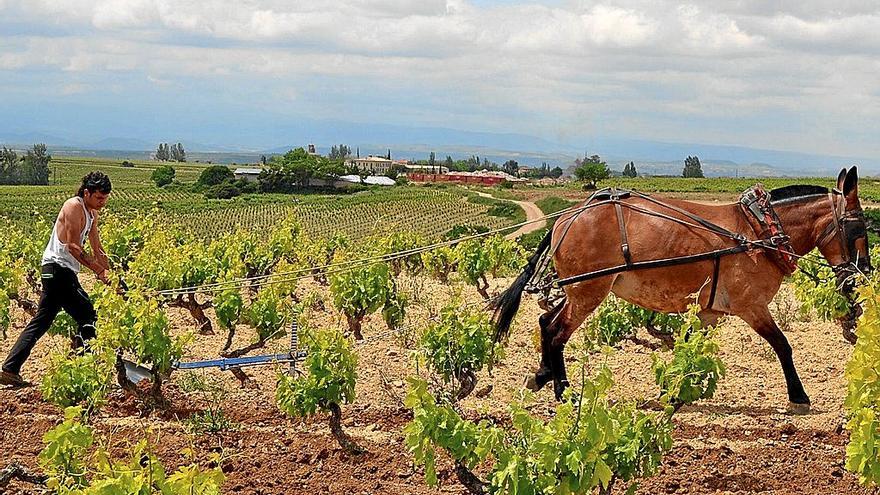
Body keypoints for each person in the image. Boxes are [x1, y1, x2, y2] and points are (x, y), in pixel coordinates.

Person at [0, 171, 112, 387]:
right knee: (87, 314)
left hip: (61, 270)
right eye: (99, 198)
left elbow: (97, 249)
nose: (102, 203)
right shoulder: (73, 206)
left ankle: (10, 368)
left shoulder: (91, 214)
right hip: (56, 268)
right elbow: (72, 247)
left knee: (42, 319)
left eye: (105, 199)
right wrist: (98, 271)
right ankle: (85, 369)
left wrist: (112, 276)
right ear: (86, 193)